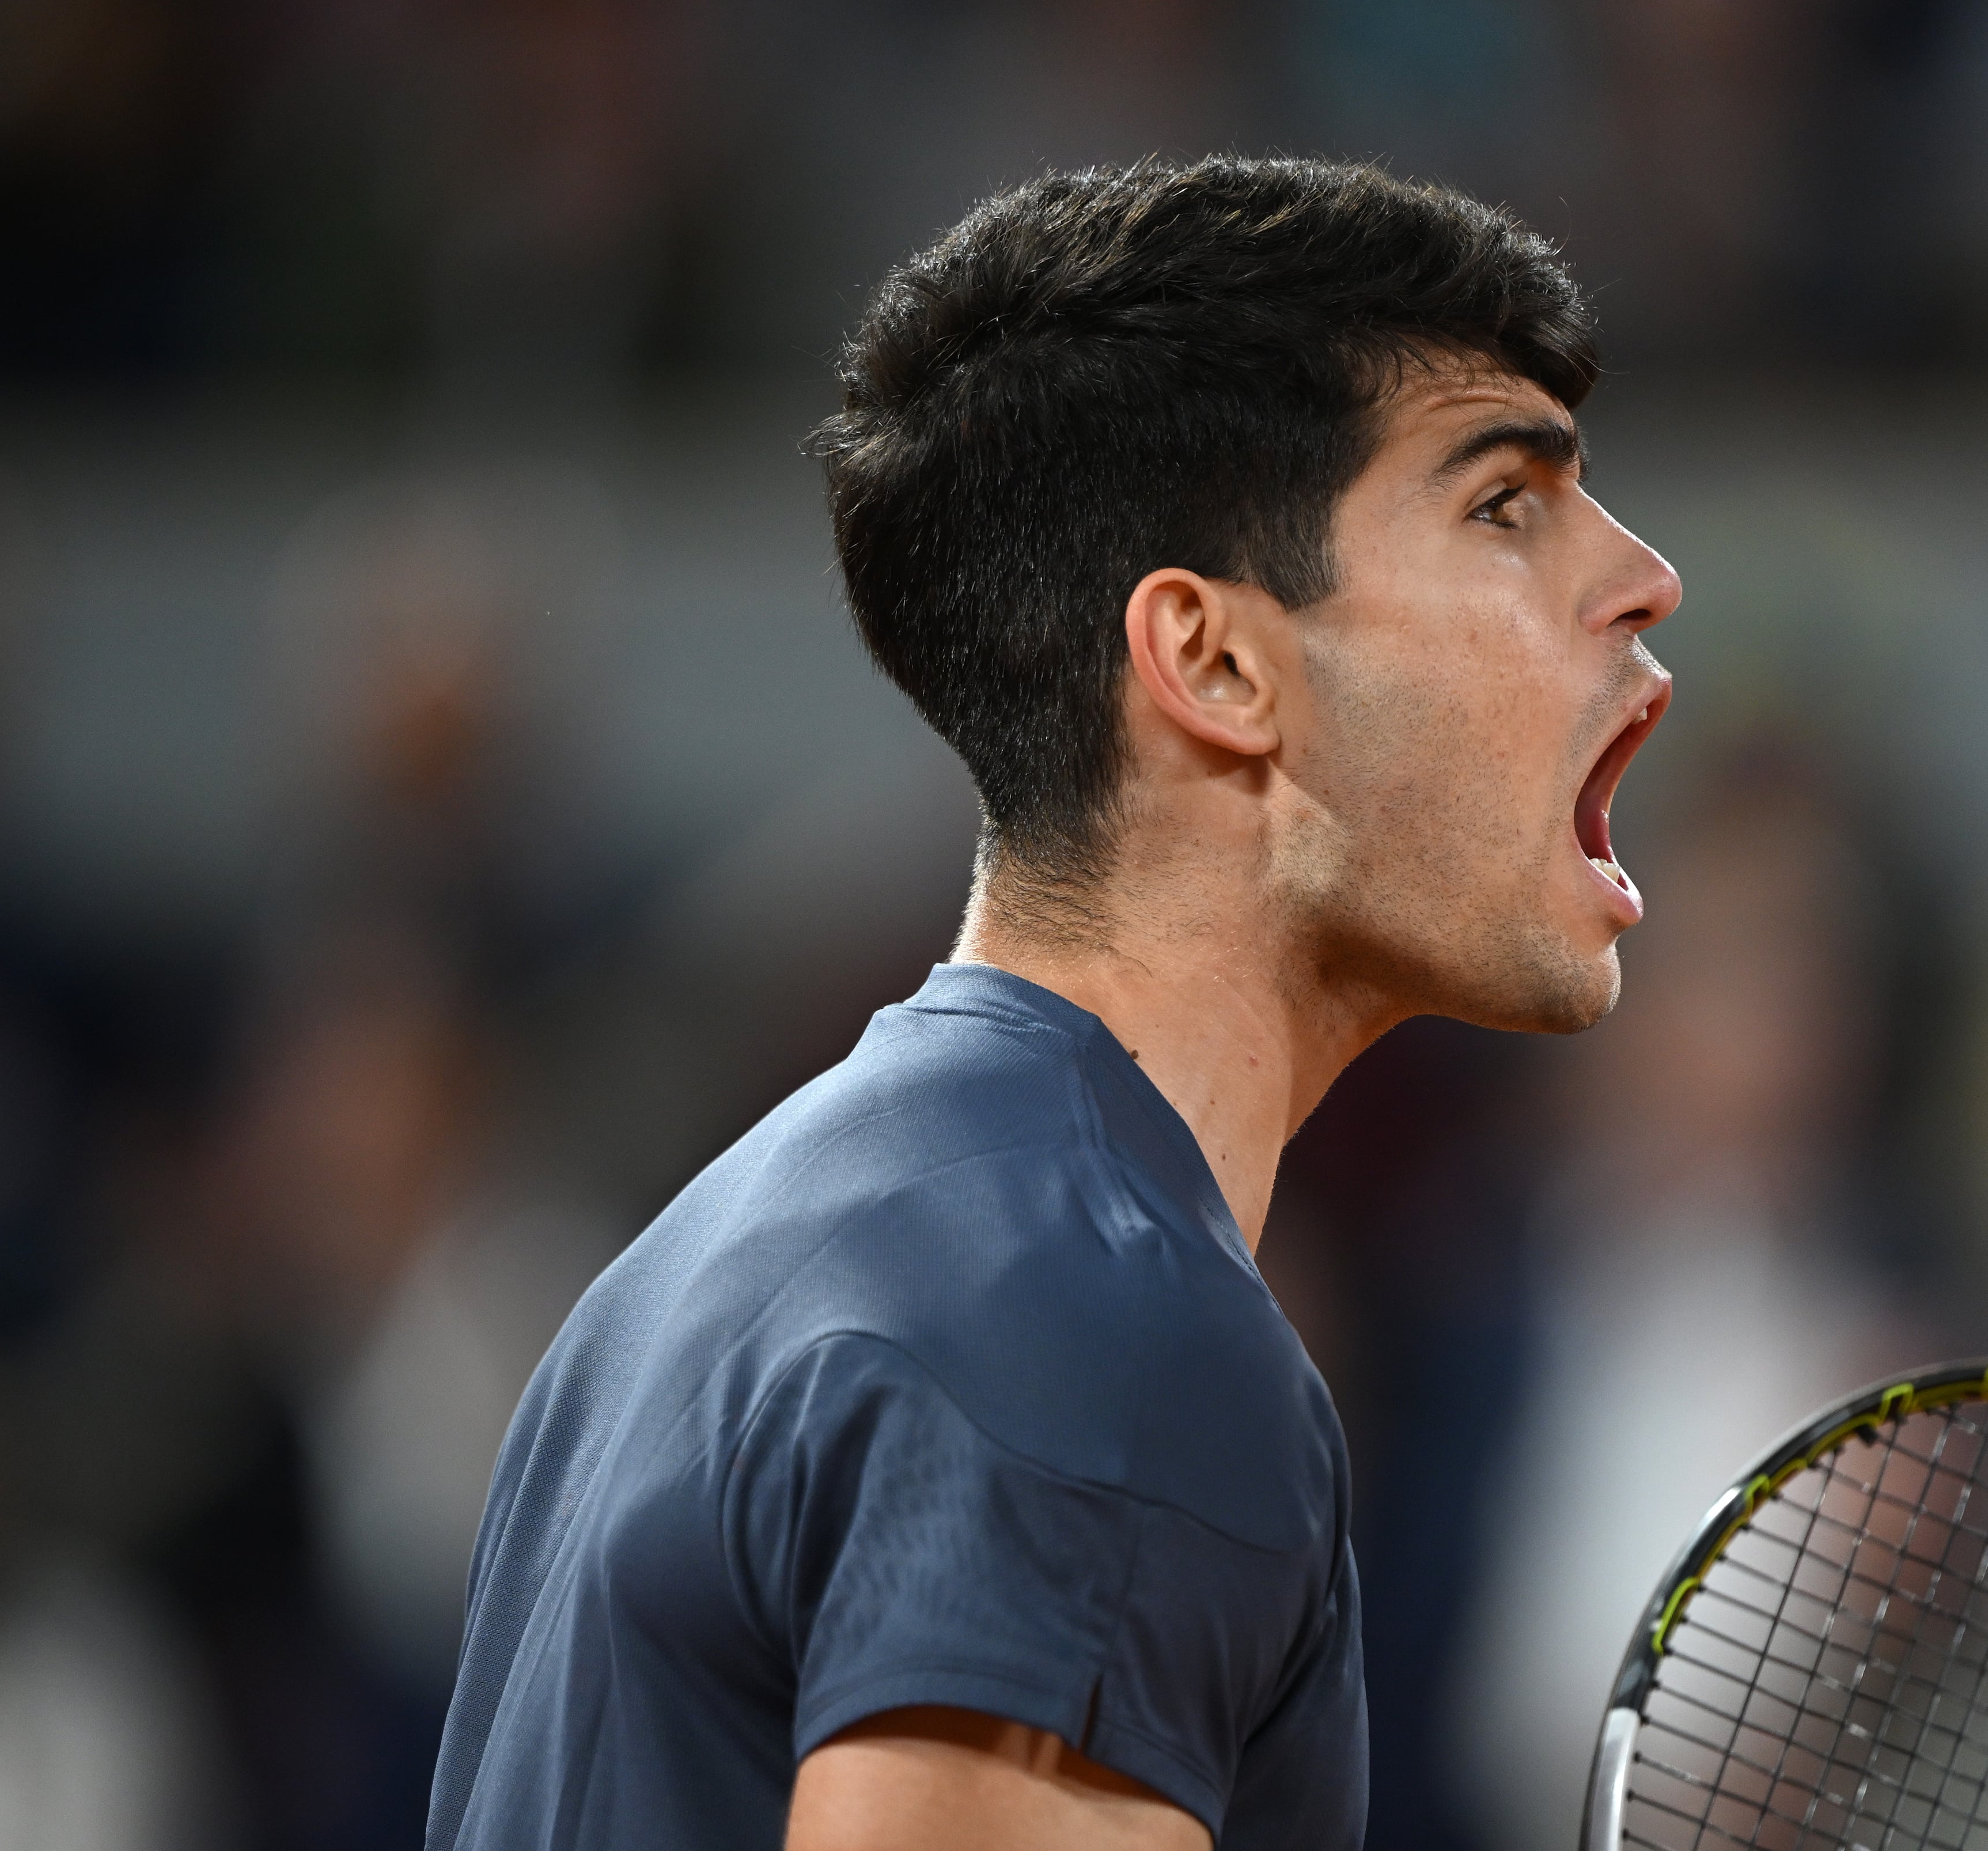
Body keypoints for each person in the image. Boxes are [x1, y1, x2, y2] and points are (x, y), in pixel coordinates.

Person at [422, 157, 1680, 1851]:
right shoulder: (1105, 1327)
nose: (1643, 577)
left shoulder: (734, 1252)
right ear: (1219, 666)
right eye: (1504, 505)